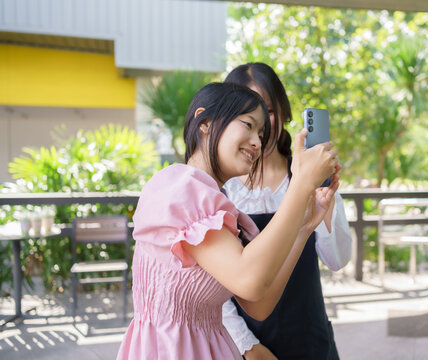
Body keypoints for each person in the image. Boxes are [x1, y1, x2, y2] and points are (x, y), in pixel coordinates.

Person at [116, 82, 340, 359]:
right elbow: (249, 279)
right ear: (205, 122)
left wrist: (304, 228)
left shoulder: (216, 205)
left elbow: (258, 301)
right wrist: (301, 182)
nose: (258, 141)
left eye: (261, 133)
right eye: (248, 124)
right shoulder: (179, 186)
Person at [222, 63, 352, 360]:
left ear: (283, 110)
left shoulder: (307, 174)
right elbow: (210, 290)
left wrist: (325, 202)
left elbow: (338, 260)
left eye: (267, 109)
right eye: (246, 116)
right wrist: (248, 347)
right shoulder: (223, 188)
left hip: (312, 342)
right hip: (243, 348)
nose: (260, 124)